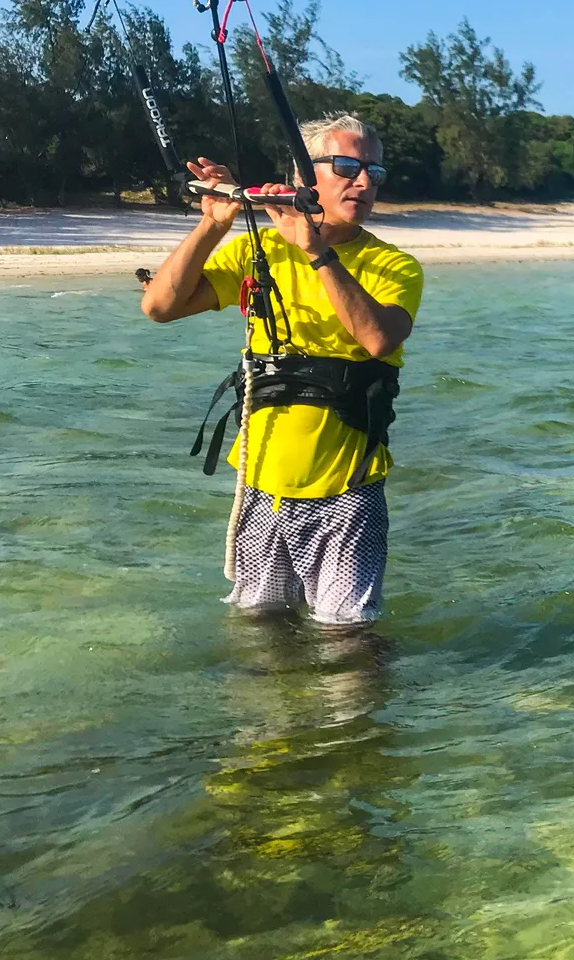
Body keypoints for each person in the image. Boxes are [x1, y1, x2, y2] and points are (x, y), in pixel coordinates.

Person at [141, 113, 423, 628]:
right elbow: (160, 306)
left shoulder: (395, 266)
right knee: (261, 636)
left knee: (349, 648)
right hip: (261, 489)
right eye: (346, 167)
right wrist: (213, 224)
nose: (363, 182)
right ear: (303, 177)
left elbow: (379, 338)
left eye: (375, 173)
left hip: (347, 493)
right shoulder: (259, 249)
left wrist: (314, 250)